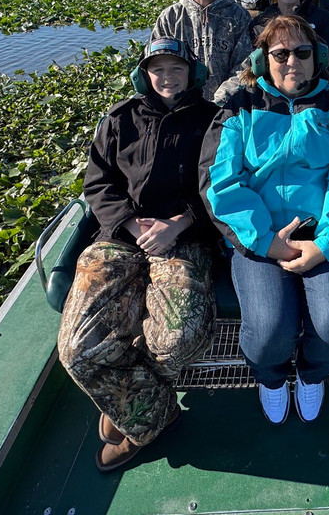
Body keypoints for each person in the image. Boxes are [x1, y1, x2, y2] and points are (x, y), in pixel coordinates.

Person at [58, 38, 219, 472]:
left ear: (193, 73)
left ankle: (129, 407)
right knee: (77, 348)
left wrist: (179, 224)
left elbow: (221, 189)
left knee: (176, 343)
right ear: (144, 74)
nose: (168, 77)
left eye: (177, 69)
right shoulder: (119, 119)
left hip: (186, 237)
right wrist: (132, 223)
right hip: (121, 236)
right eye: (158, 69)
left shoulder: (213, 121)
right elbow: (97, 184)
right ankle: (152, 415)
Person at [199, 14, 329, 425]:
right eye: (280, 53)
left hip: (322, 234)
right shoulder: (240, 108)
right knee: (270, 333)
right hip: (260, 239)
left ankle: (311, 373)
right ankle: (270, 378)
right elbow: (220, 181)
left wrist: (325, 243)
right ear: (262, 60)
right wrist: (266, 240)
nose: (293, 61)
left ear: (317, 57)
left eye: (302, 52)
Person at [153, 0, 254, 103]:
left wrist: (219, 102)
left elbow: (244, 68)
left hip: (226, 110)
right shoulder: (170, 18)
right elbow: (157, 67)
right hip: (182, 109)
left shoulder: (239, 17)